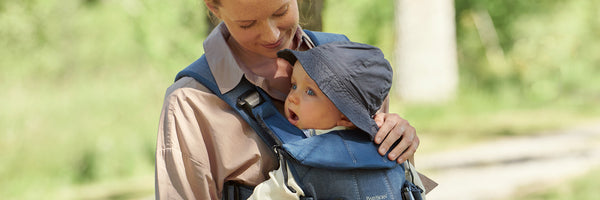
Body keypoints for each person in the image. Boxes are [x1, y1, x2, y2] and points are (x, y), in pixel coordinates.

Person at [155, 0, 421, 199]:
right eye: (247, 24)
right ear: (214, 7)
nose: (272, 35)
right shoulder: (190, 103)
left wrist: (397, 142)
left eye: (280, 11)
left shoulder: (348, 61)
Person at [248, 41, 428, 200]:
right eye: (294, 85)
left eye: (310, 92)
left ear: (345, 116)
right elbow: (417, 192)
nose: (292, 97)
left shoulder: (301, 162)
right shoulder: (393, 152)